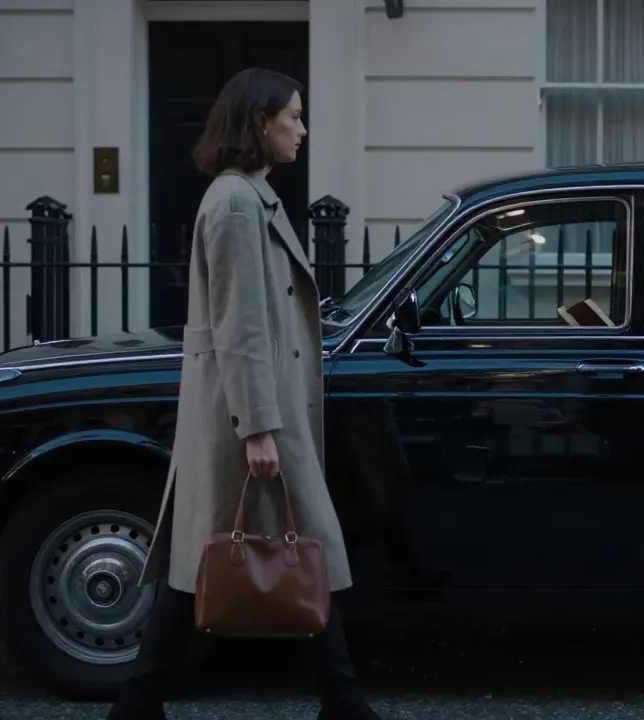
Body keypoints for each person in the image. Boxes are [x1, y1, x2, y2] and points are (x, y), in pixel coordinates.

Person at [106, 67, 384, 720]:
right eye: (294, 116)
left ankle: (142, 701)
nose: (302, 129)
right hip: (256, 417)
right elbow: (240, 326)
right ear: (260, 121)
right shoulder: (234, 203)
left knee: (220, 558)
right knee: (280, 551)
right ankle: (342, 702)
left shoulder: (249, 195)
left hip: (265, 410)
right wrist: (258, 426)